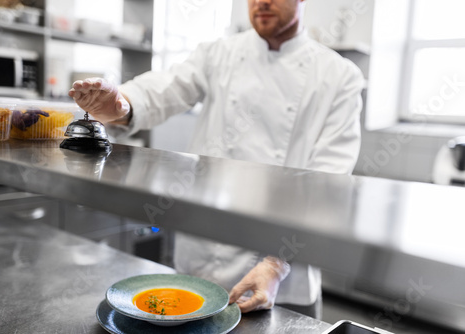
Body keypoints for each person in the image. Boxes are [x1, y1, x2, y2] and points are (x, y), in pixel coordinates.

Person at [69, 0, 364, 318]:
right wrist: (122, 104)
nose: (261, 2)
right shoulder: (218, 53)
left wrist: (276, 265)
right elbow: (166, 88)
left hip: (283, 278)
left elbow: (327, 184)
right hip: (203, 259)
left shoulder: (340, 76)